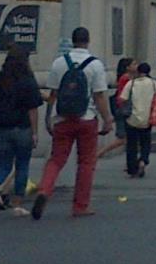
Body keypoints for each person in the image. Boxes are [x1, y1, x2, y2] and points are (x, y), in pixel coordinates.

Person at [31, 27, 112, 221]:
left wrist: (48, 118)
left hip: (63, 119)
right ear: (88, 41)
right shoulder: (95, 65)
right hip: (87, 119)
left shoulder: (59, 63)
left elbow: (53, 94)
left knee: (56, 159)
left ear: (73, 41)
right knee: (86, 162)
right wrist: (107, 119)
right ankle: (80, 206)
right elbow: (99, 96)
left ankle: (44, 189)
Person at [0, 44, 42, 216]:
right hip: (22, 127)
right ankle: (17, 205)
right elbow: (32, 109)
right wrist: (35, 132)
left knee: (3, 166)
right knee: (22, 165)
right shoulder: (28, 80)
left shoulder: (0, 78)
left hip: (1, 128)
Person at [122, 61, 156, 178]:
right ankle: (143, 160)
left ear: (138, 71)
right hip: (148, 118)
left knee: (131, 144)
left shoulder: (131, 83)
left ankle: (132, 168)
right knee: (145, 142)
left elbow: (123, 98)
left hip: (132, 118)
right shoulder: (153, 83)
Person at [96, 57, 134, 162]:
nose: (136, 66)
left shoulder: (125, 78)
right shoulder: (127, 78)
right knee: (122, 138)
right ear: (127, 67)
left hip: (123, 108)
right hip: (124, 109)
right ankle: (98, 154)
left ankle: (131, 162)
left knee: (126, 138)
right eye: (134, 64)